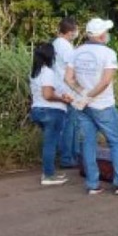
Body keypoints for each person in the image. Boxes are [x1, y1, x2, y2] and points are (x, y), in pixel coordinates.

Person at [65, 18, 118, 196]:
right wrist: (90, 96)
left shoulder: (76, 52)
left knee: (88, 143)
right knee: (116, 143)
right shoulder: (108, 54)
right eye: (106, 32)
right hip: (103, 105)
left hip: (83, 106)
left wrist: (83, 93)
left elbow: (68, 79)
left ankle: (93, 184)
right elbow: (105, 82)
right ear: (101, 35)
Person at [29, 42, 74, 185]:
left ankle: (51, 171)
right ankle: (48, 175)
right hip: (51, 110)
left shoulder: (34, 72)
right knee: (50, 143)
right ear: (50, 56)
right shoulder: (47, 72)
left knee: (52, 142)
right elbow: (48, 94)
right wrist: (63, 99)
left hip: (37, 110)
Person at [53, 17, 80, 169]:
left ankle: (70, 155)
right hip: (67, 90)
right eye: (75, 30)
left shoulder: (56, 44)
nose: (76, 33)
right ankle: (68, 157)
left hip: (60, 88)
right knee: (71, 124)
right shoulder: (65, 47)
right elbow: (73, 69)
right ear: (70, 32)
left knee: (67, 124)